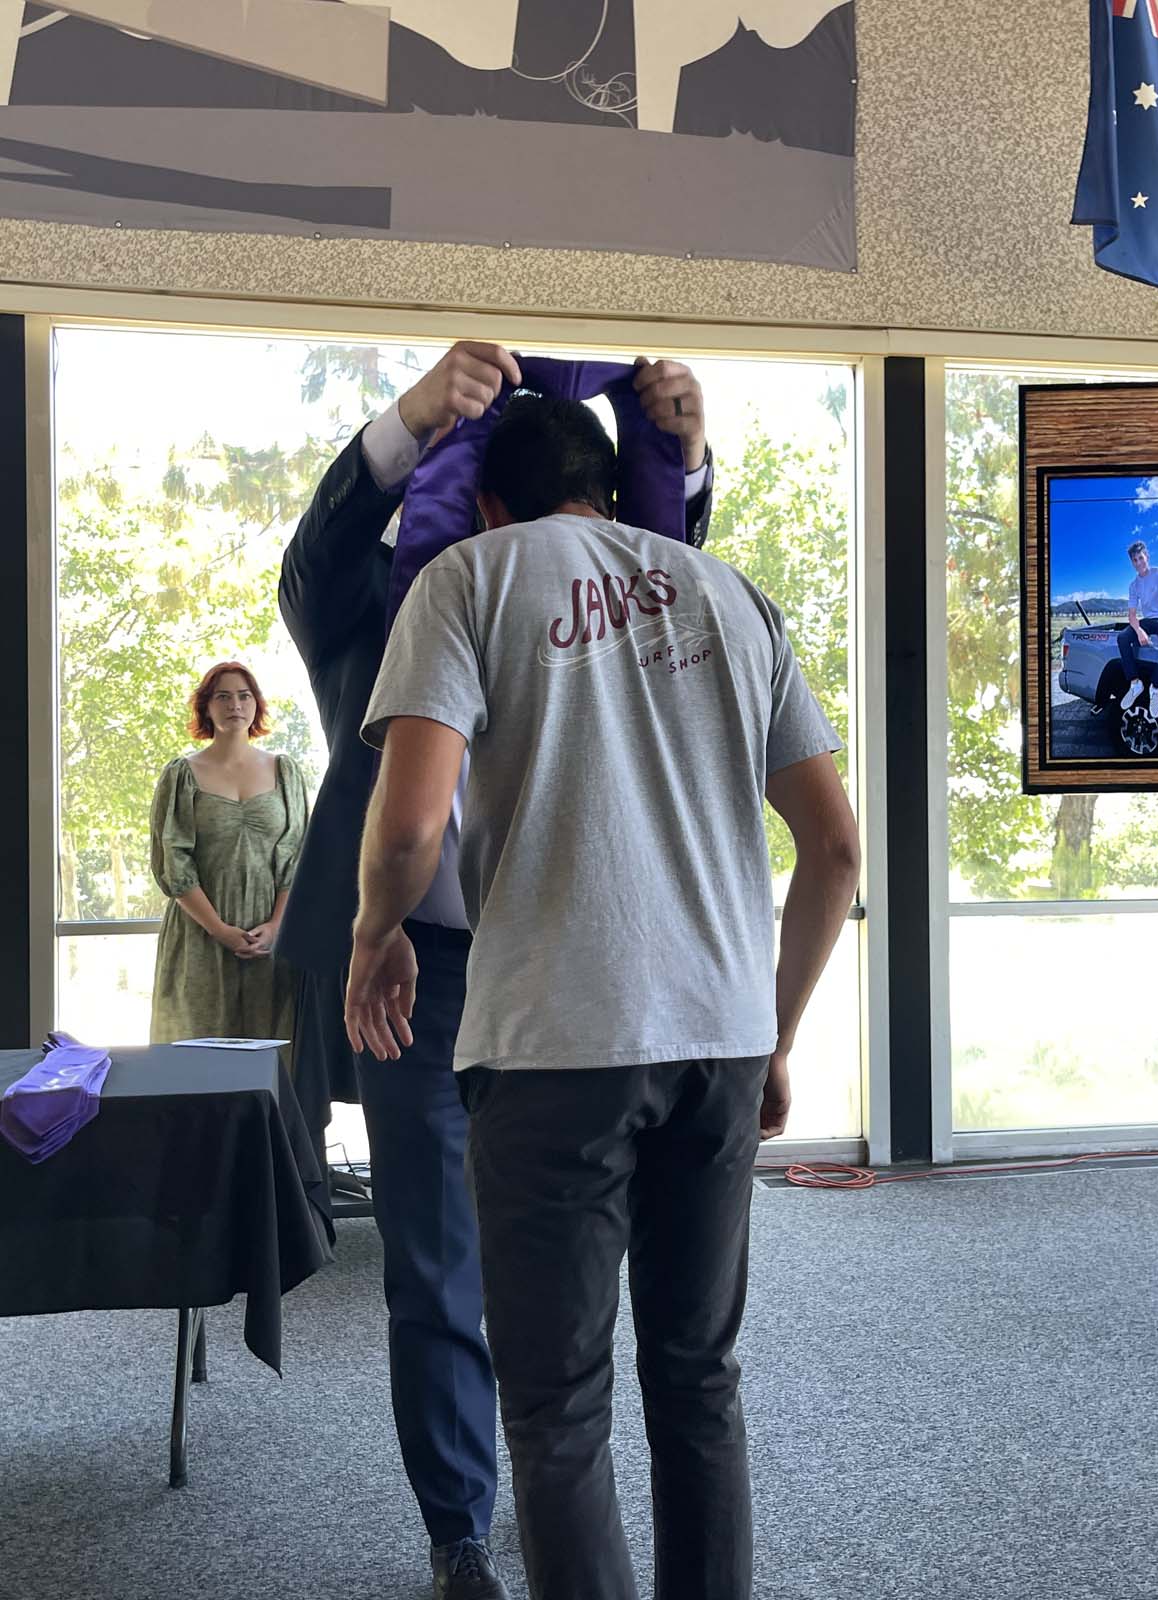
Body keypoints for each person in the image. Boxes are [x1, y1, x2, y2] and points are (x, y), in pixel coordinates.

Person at [346, 394, 861, 1600]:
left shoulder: (468, 578)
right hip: (720, 1038)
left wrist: (375, 933)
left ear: (487, 504)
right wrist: (775, 1034)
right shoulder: (730, 594)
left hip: (550, 1043)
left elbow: (410, 826)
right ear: (614, 493)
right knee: (698, 1379)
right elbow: (837, 849)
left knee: (560, 1407)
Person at [277, 342, 714, 1600]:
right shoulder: (386, 600)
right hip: (413, 973)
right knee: (432, 1262)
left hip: (572, 961)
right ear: (475, 513)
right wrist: (408, 420)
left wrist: (686, 460)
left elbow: (674, 583)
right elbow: (309, 568)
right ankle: (459, 1526)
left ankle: (555, 1484)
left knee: (576, 1257)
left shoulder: (620, 598)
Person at [149, 662, 307, 1047]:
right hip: (200, 933)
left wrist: (276, 926)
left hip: (271, 939)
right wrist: (219, 930)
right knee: (198, 1054)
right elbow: (173, 862)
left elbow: (297, 856)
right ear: (206, 706)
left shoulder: (285, 771)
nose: (234, 705)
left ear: (256, 705)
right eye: (222, 696)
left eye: (243, 696)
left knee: (273, 1053)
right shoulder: (181, 774)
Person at [1119, 539, 1158, 721]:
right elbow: (1132, 615)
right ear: (1132, 562)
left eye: (1141, 558)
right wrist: (1139, 631)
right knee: (1122, 638)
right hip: (1146, 621)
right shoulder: (1133, 585)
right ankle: (1135, 683)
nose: (1138, 563)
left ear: (1147, 557)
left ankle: (1154, 687)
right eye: (1134, 560)